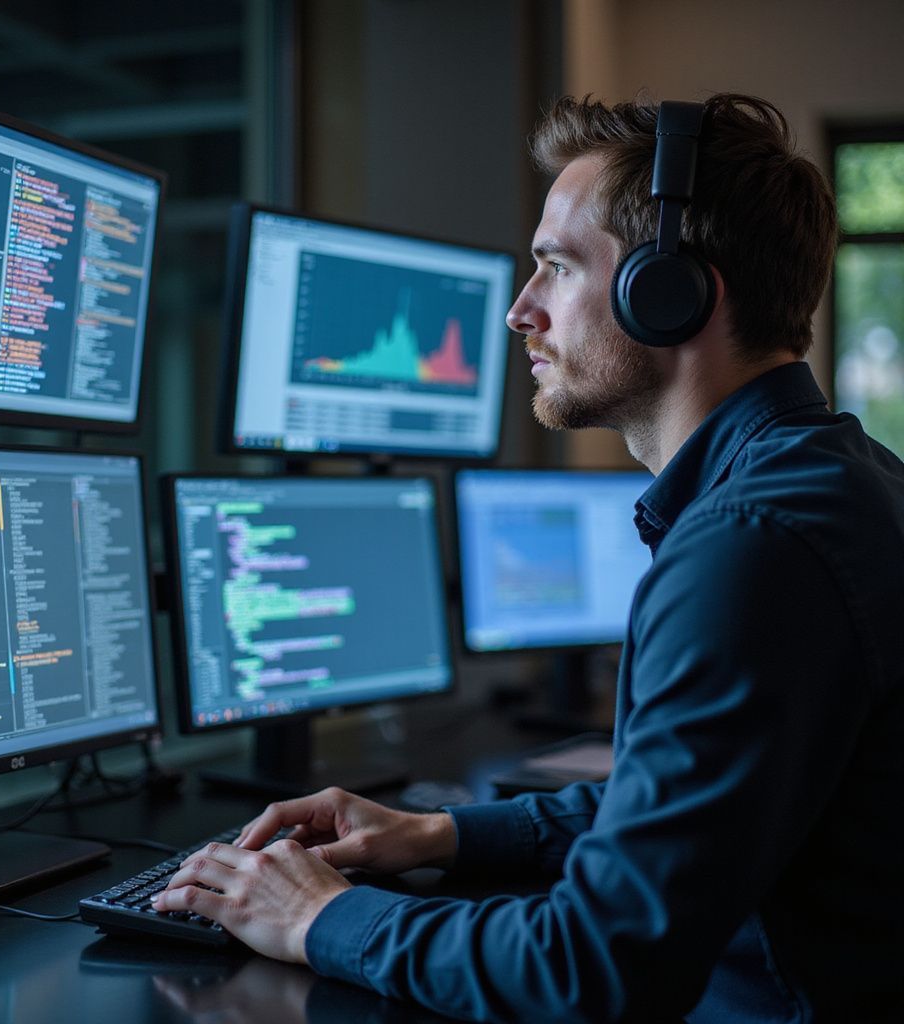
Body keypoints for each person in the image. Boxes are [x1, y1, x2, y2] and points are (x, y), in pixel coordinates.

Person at [153, 94, 904, 1022]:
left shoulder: (750, 546)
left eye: (554, 268)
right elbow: (695, 819)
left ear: (668, 295)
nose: (519, 312)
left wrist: (321, 915)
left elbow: (592, 969)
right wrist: (440, 834)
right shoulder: (844, 476)